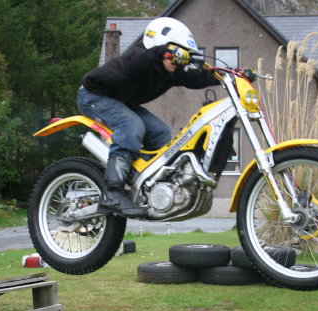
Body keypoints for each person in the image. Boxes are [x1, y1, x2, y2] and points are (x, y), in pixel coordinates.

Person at [77, 17, 219, 218]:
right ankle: (113, 193)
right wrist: (163, 51)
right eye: (175, 54)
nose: (178, 61)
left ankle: (149, 182)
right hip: (94, 96)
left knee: (161, 132)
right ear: (160, 46)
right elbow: (144, 59)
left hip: (121, 101)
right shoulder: (138, 57)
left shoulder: (170, 72)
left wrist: (230, 74)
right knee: (131, 125)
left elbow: (197, 78)